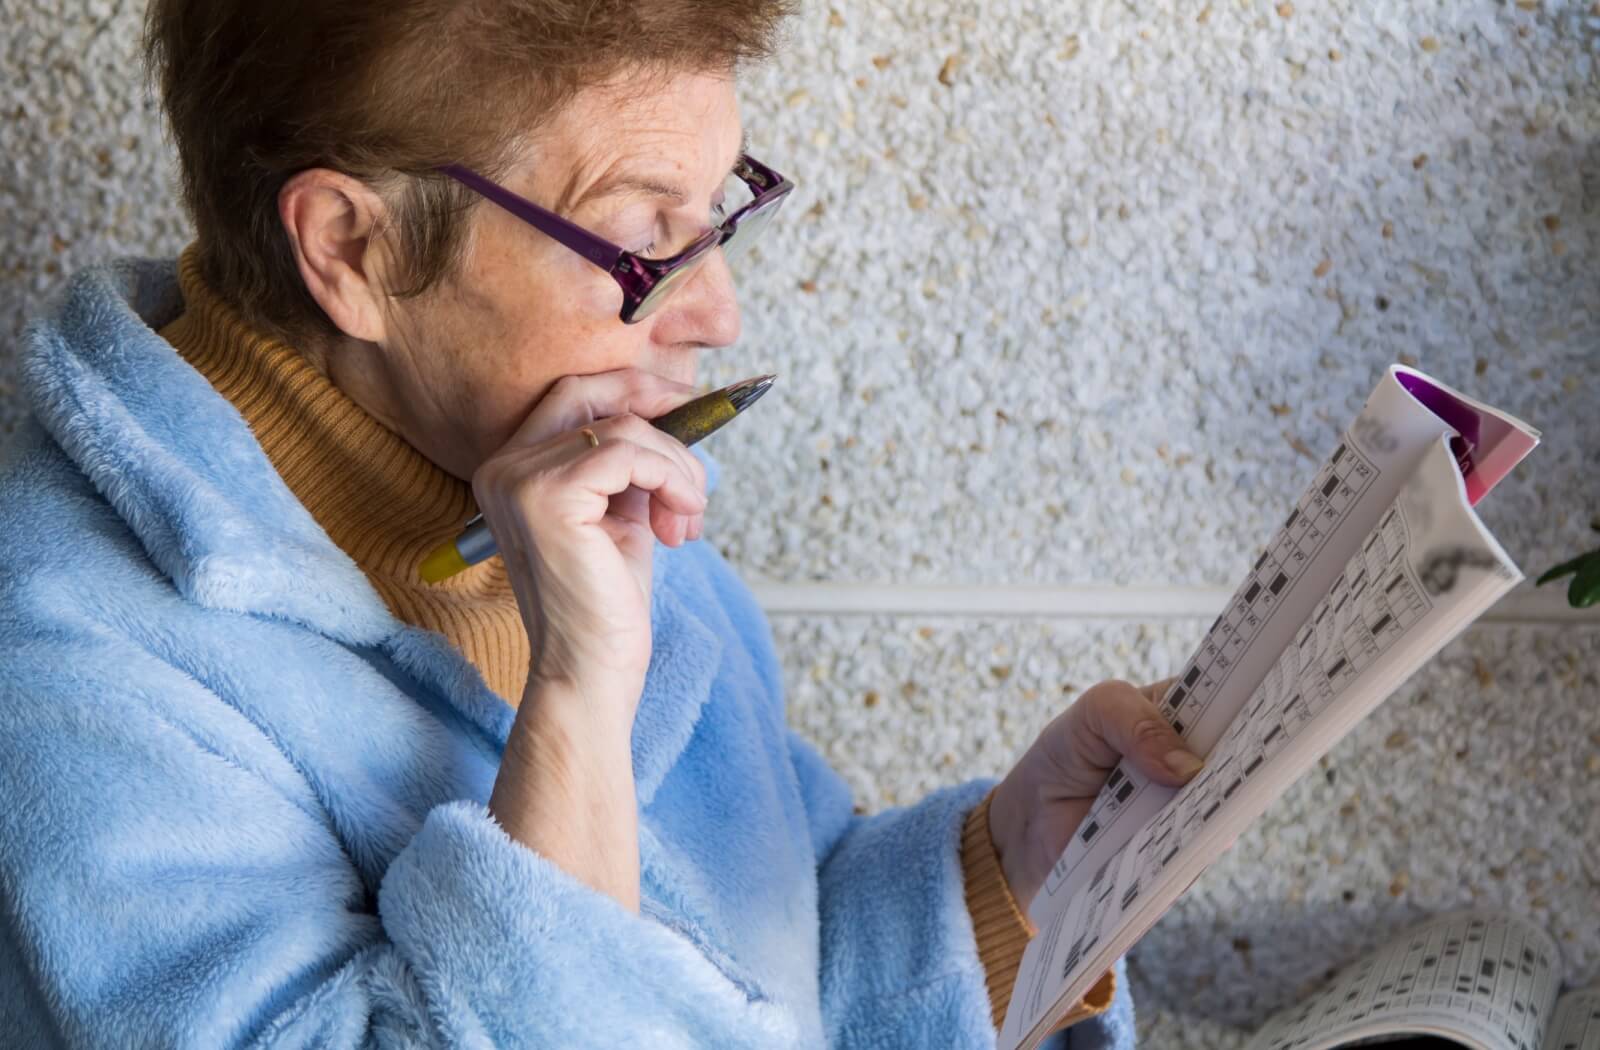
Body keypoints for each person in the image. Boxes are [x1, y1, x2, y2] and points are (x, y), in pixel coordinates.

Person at [0, 1, 1205, 1046]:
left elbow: (757, 953)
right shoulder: (63, 671)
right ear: (352, 249)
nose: (717, 314)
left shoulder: (545, 462)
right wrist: (574, 703)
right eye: (643, 244)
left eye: (717, 216)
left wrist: (1002, 884)